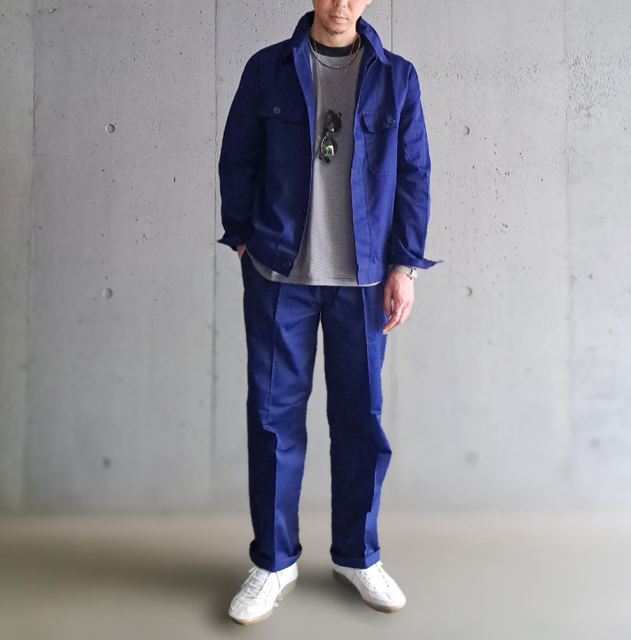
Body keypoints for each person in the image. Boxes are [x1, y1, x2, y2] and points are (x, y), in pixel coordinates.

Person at [218, 0, 438, 625]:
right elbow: (238, 156)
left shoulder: (397, 77)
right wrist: (245, 237)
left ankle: (358, 555)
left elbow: (415, 173)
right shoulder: (267, 69)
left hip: (363, 281)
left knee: (360, 421)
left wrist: (404, 266)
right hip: (279, 276)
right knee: (272, 420)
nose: (341, 4)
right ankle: (273, 562)